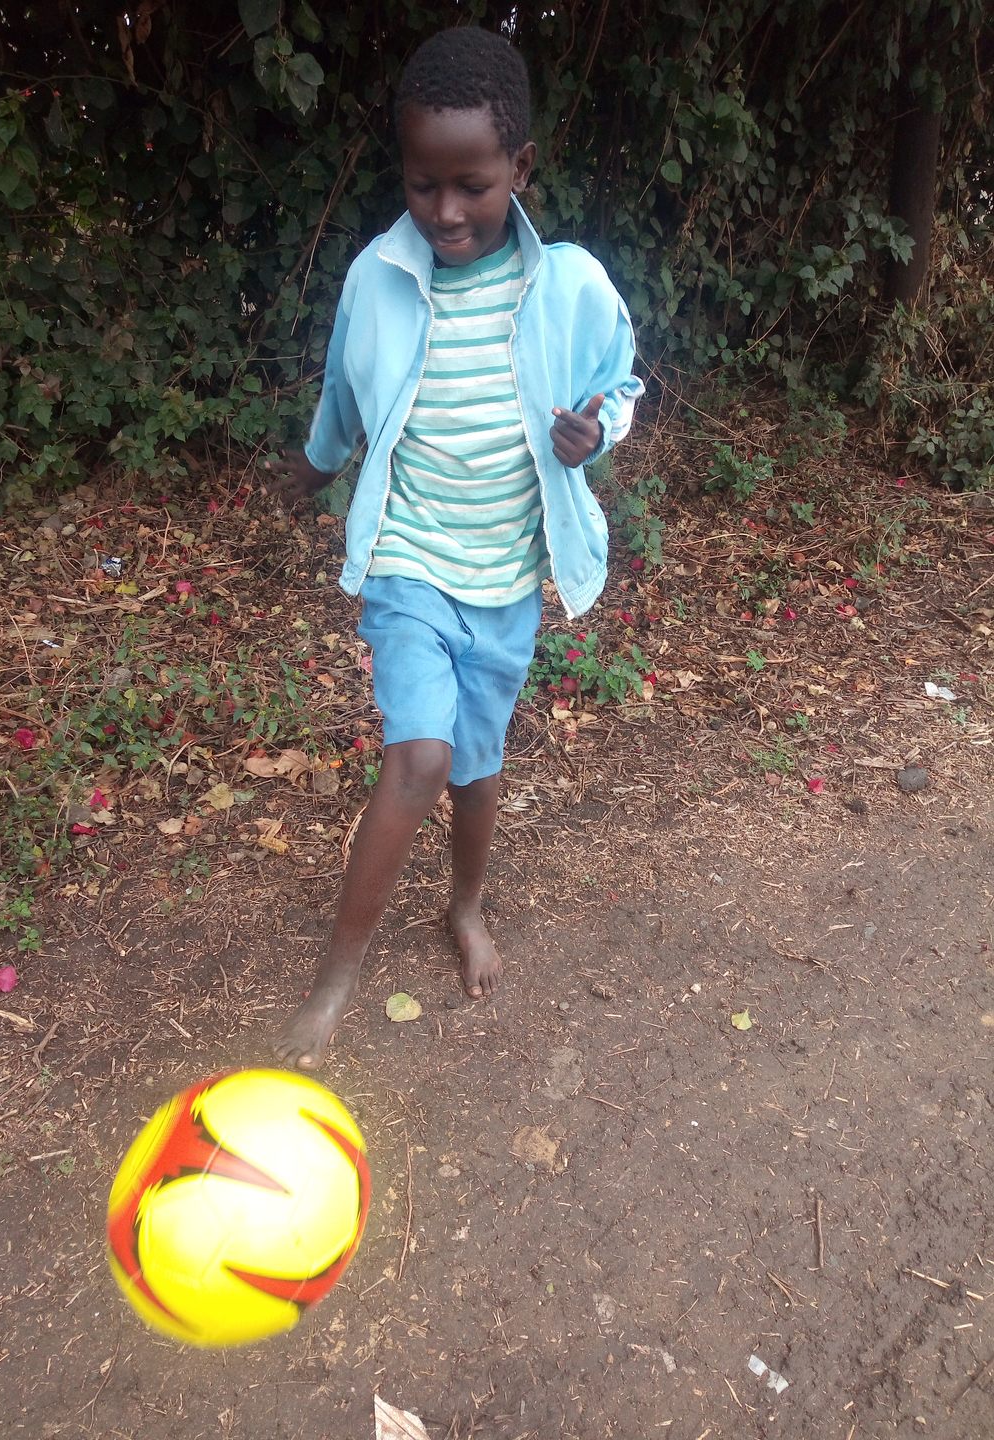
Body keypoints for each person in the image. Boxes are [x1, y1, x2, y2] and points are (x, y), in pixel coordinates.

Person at [264, 25, 643, 1069]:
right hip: (410, 561)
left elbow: (620, 379)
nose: (444, 211)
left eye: (471, 185)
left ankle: (465, 906)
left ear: (519, 168)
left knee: (475, 771)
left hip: (506, 579)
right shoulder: (377, 278)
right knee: (421, 756)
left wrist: (596, 431)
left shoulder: (569, 285)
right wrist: (315, 468)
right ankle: (337, 976)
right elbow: (346, 396)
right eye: (423, 183)